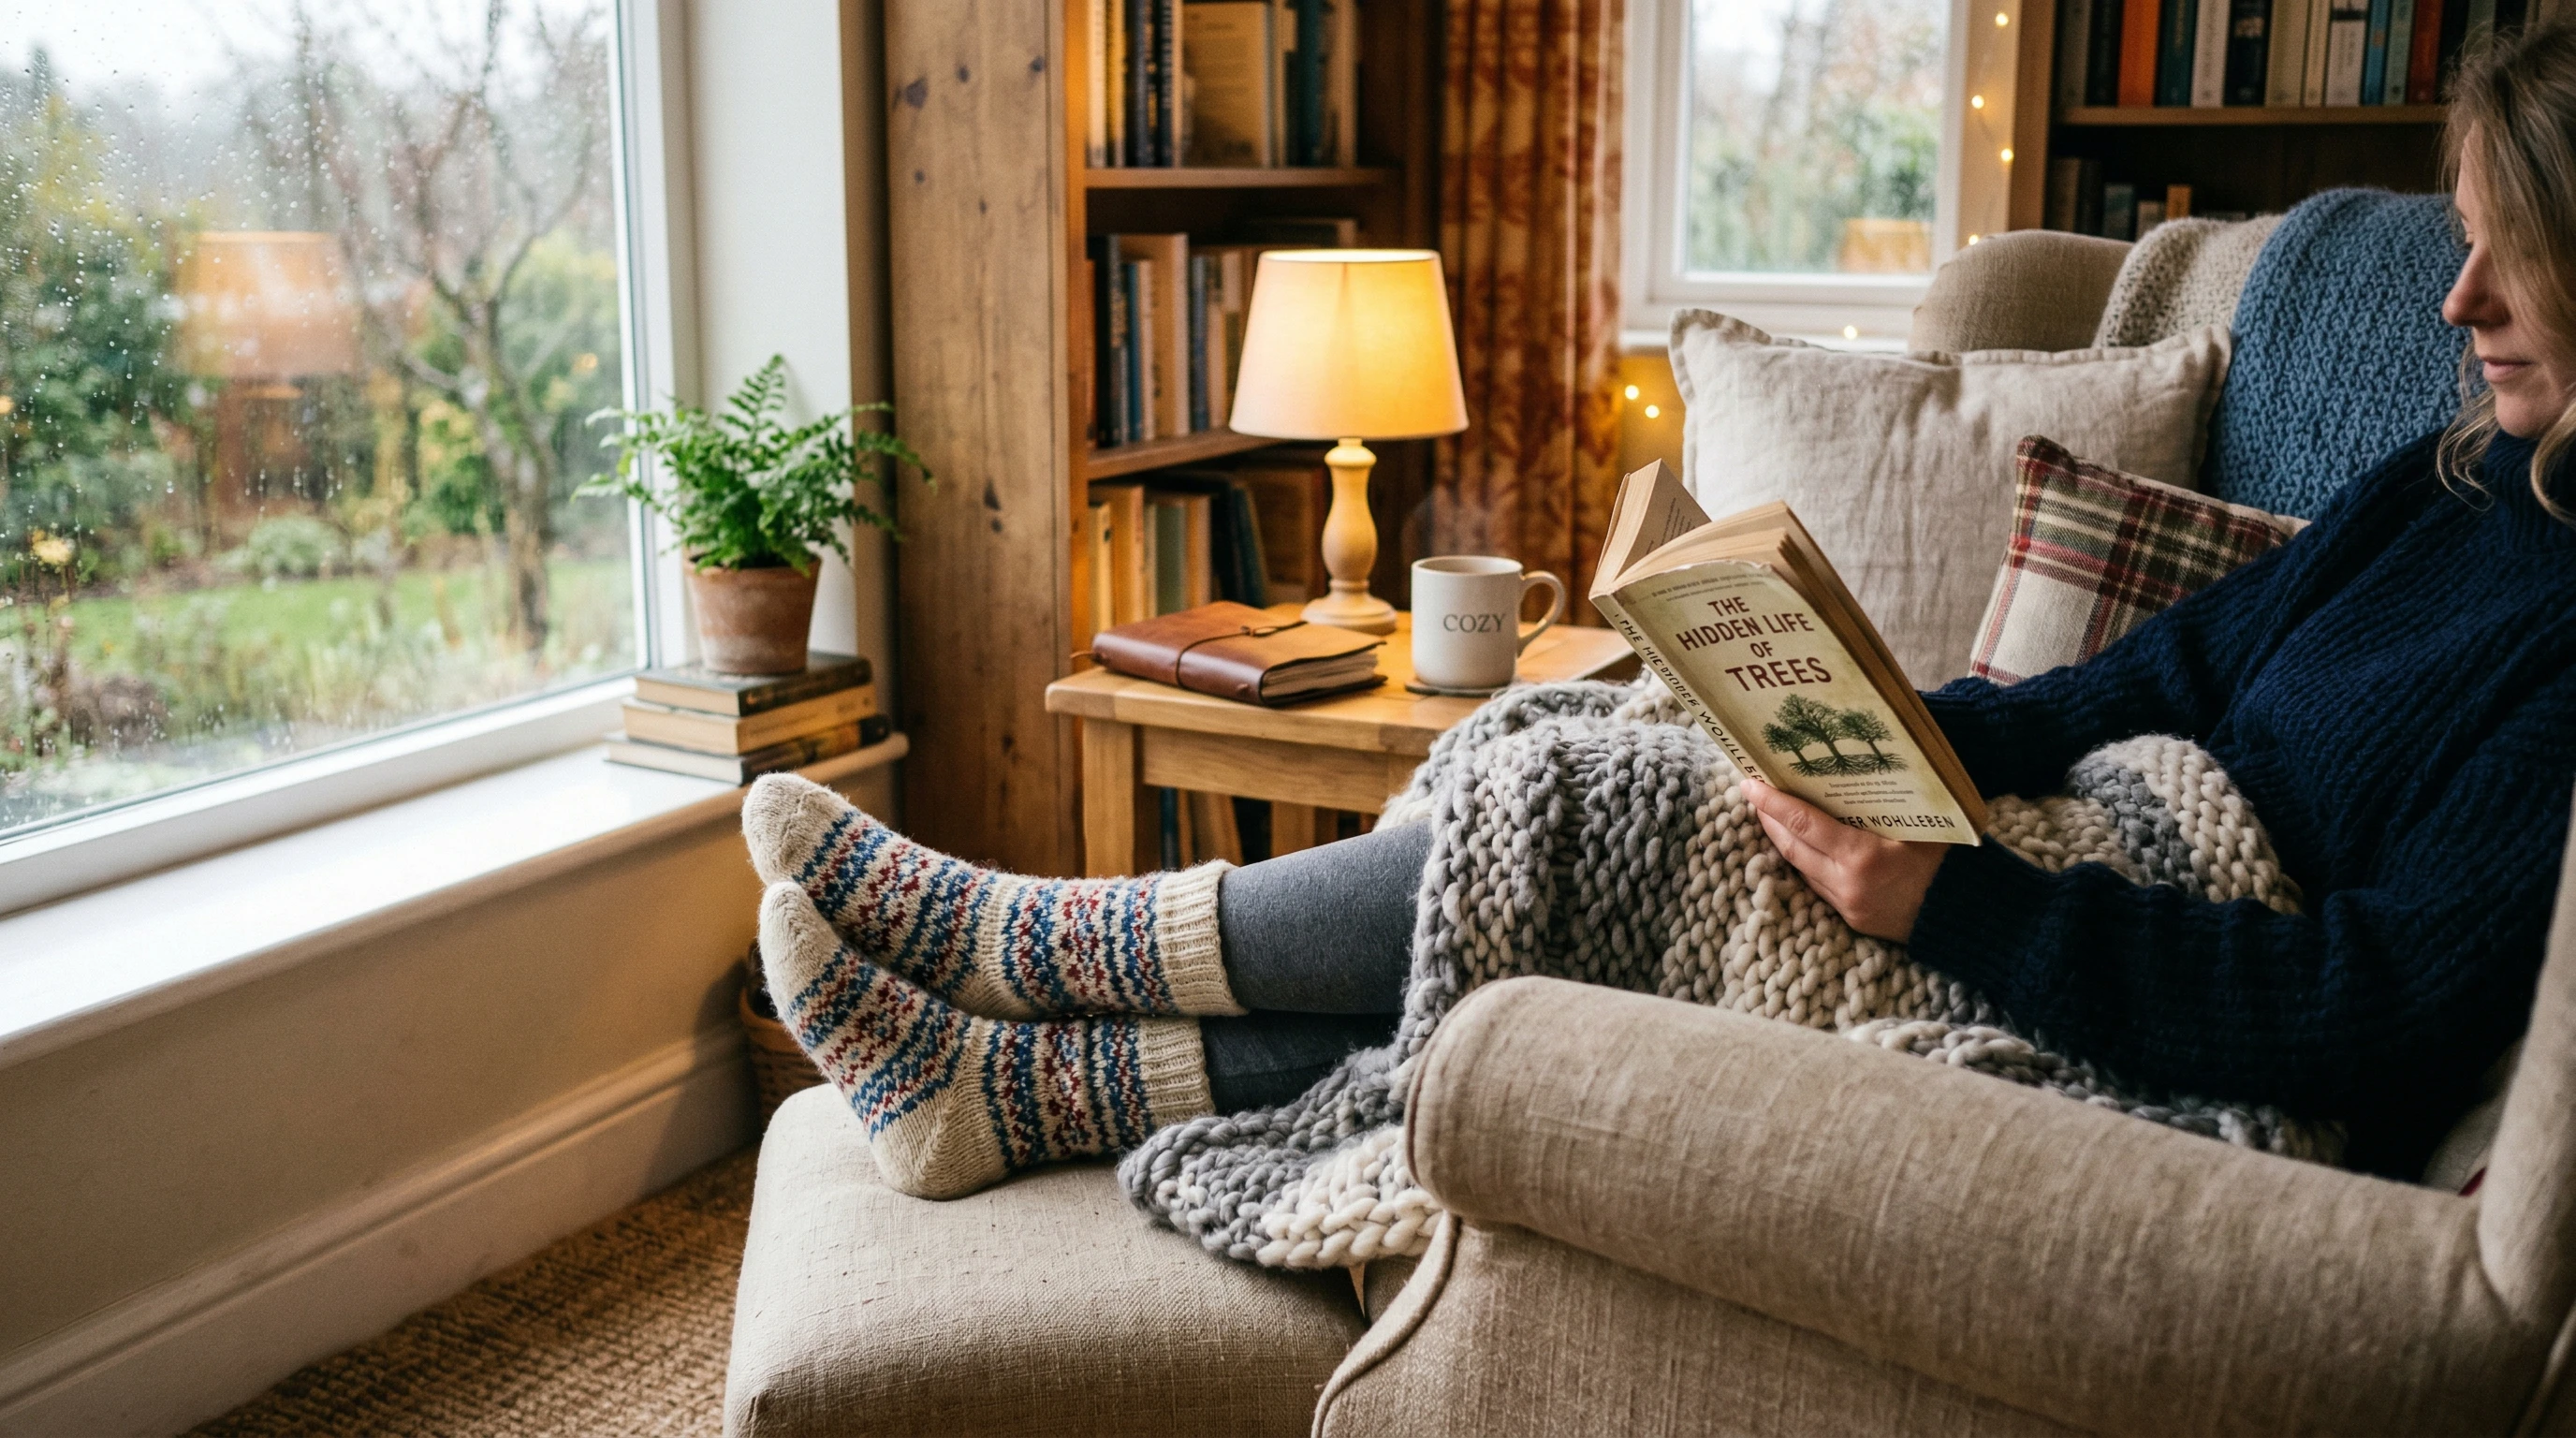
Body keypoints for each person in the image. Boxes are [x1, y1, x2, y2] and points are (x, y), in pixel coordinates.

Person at [745, 22, 2576, 1204]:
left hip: (2142, 948)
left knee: (1582, 814)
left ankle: (1030, 943)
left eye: (2517, 254)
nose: (2458, 301)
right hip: (2071, 833)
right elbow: (2178, 662)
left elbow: (2369, 1009)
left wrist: (1953, 897)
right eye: (2460, 242)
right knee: (1574, 722)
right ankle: (1012, 1093)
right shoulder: (2456, 481)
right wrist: (1914, 735)